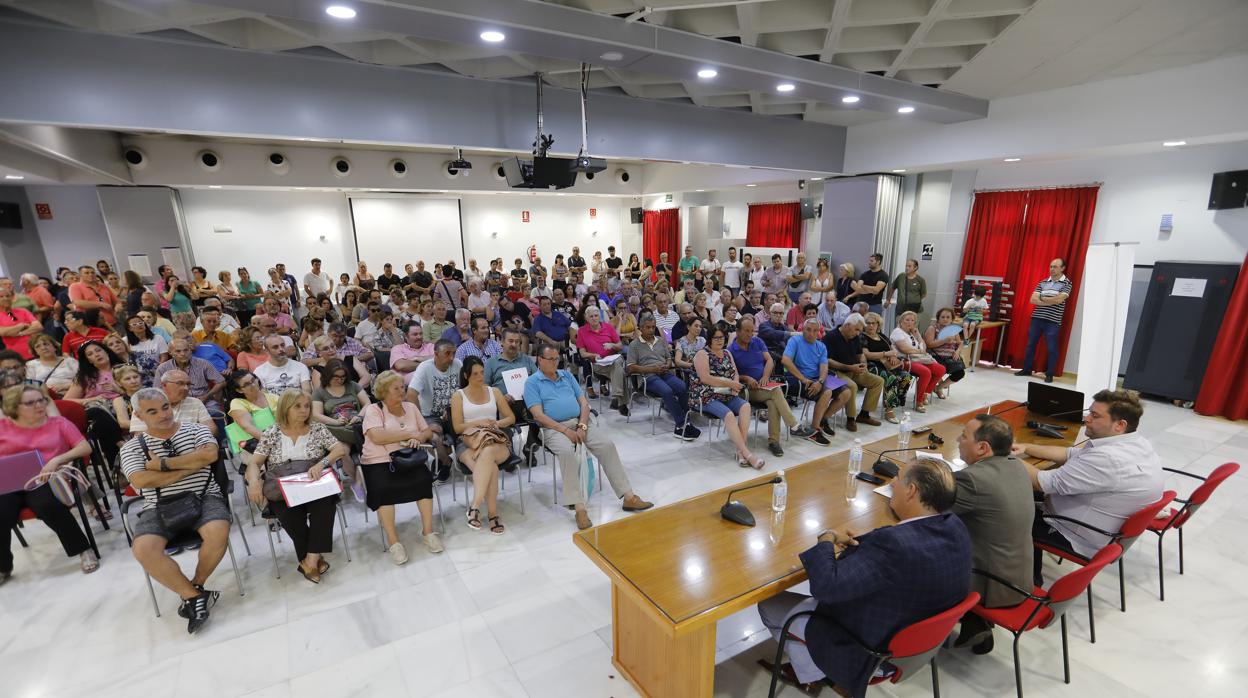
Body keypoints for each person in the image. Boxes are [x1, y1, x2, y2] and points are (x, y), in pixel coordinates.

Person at [757, 459, 971, 698]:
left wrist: (826, 538)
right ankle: (814, 672)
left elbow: (825, 587)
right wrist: (870, 544)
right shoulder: (955, 527)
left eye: (898, 478)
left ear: (912, 491)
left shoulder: (895, 546)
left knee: (769, 604)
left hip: (866, 650)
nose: (892, 483)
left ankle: (815, 674)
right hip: (915, 645)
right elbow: (903, 548)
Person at [1014, 389, 1163, 586]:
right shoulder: (1134, 441)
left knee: (1008, 514)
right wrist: (1026, 447)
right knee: (1019, 495)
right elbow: (1070, 454)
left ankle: (1027, 582)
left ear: (1119, 425)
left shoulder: (1107, 459)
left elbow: (1042, 482)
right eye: (1089, 412)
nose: (1087, 418)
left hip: (1075, 535)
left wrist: (1001, 451)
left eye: (1095, 415)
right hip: (1103, 529)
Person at [119, 387, 230, 633]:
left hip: (203, 495)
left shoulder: (196, 429)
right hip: (157, 505)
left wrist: (160, 465)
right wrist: (191, 465)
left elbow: (210, 455)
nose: (163, 415)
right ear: (138, 415)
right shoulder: (131, 448)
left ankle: (197, 586)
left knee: (218, 530)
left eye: (165, 407)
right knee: (143, 549)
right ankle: (193, 596)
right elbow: (141, 480)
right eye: (152, 411)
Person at [525, 343, 653, 529]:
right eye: (550, 359)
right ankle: (579, 508)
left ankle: (628, 496)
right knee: (567, 453)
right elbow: (538, 415)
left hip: (580, 422)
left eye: (557, 359)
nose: (555, 363)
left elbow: (584, 404)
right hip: (553, 428)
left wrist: (583, 425)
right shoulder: (532, 382)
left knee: (607, 445)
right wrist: (566, 431)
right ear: (539, 360)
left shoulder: (567, 375)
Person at [949, 414, 1035, 654]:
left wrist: (904, 483)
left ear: (982, 447)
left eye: (964, 436)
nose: (958, 440)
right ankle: (974, 624)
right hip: (1019, 575)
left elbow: (927, 508)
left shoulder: (973, 479)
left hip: (991, 583)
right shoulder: (1015, 464)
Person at [246, 389, 349, 583]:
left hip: (313, 480)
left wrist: (322, 463)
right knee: (288, 514)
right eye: (298, 406)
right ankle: (315, 558)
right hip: (284, 485)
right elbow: (254, 463)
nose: (304, 410)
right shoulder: (272, 431)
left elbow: (339, 449)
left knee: (324, 506)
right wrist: (253, 482)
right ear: (286, 408)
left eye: (307, 406)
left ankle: (309, 561)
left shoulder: (317, 428)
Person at [0, 384, 98, 583]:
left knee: (46, 504)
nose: (39, 405)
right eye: (30, 402)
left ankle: (82, 549)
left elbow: (85, 447)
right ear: (14, 407)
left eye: (41, 400)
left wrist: (57, 460)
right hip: (11, 481)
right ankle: (3, 566)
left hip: (45, 478)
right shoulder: (2, 427)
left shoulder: (58, 423)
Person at [362, 370, 444, 562]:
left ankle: (428, 532)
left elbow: (426, 431)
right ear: (383, 391)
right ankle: (394, 542)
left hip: (409, 458)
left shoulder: (411, 407)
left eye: (403, 387)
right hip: (379, 461)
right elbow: (377, 437)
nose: (402, 391)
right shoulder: (374, 410)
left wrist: (419, 437)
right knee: (383, 490)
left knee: (424, 481)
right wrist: (409, 435)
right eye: (396, 388)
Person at [728, 315, 814, 457]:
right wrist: (746, 378)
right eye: (746, 331)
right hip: (746, 389)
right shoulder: (731, 350)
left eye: (752, 331)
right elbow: (732, 374)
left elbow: (769, 361)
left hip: (764, 384)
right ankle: (793, 425)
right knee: (776, 391)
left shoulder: (757, 341)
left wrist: (765, 376)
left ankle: (774, 441)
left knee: (773, 402)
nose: (750, 334)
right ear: (737, 332)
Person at [450, 356, 514, 535]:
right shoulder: (459, 396)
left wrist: (495, 424)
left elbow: (510, 418)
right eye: (475, 374)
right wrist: (479, 422)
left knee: (488, 453)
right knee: (490, 467)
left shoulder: (494, 392)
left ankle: (475, 506)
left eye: (482, 372)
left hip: (495, 440)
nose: (480, 377)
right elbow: (457, 427)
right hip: (468, 442)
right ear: (466, 375)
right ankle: (493, 515)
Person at [689, 326, 764, 468]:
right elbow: (705, 378)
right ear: (709, 339)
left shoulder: (727, 353)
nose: (719, 341)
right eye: (716, 338)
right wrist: (729, 383)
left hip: (725, 393)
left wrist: (735, 384)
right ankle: (747, 454)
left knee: (745, 406)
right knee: (729, 415)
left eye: (722, 338)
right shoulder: (702, 354)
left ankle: (740, 450)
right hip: (705, 395)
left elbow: (735, 372)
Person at [625, 315, 700, 440]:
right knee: (667, 391)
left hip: (664, 372)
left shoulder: (660, 340)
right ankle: (682, 425)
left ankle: (686, 422)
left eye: (653, 327)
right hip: (647, 376)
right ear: (641, 328)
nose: (651, 330)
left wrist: (667, 365)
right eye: (647, 327)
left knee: (682, 387)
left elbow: (668, 358)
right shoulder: (634, 345)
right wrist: (652, 369)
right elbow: (631, 367)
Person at [782, 319, 851, 446]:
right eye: (808, 329)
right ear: (803, 329)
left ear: (818, 332)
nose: (811, 333)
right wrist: (803, 379)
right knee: (827, 392)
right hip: (798, 379)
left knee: (846, 392)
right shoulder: (795, 341)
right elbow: (785, 360)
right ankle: (814, 429)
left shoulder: (821, 346)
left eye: (815, 331)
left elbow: (824, 367)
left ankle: (823, 419)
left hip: (817, 379)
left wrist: (820, 381)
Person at [1016, 258, 1074, 383]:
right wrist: (1050, 299)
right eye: (1051, 266)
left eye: (1055, 267)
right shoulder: (1042, 282)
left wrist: (1042, 298)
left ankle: (1050, 373)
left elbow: (1059, 300)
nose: (1052, 269)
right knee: (1031, 345)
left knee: (1052, 348)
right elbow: (1032, 300)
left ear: (1062, 268)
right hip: (1037, 318)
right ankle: (1026, 369)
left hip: (1053, 321)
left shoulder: (1067, 283)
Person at [823, 314, 884, 432]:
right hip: (836, 372)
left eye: (859, 330)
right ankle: (851, 418)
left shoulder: (854, 337)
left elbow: (860, 354)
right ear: (847, 325)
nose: (857, 333)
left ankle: (864, 414)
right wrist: (850, 367)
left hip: (853, 369)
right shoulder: (831, 337)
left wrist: (863, 363)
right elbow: (827, 361)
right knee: (852, 386)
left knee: (878, 381)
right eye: (856, 329)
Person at [406, 339, 460, 470]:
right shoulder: (425, 367)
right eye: (447, 353)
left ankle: (459, 458)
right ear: (436, 354)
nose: (451, 357)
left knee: (465, 431)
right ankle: (446, 463)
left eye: (453, 353)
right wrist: (422, 423)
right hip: (429, 415)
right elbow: (411, 394)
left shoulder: (458, 364)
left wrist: (453, 409)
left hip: (452, 412)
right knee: (435, 437)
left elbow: (464, 390)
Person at [860, 313, 912, 424]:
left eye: (873, 323)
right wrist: (885, 354)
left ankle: (892, 401)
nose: (870, 326)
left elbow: (893, 348)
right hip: (873, 365)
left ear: (878, 324)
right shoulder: (863, 337)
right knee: (891, 379)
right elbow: (866, 354)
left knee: (906, 377)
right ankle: (889, 410)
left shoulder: (882, 336)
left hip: (888, 364)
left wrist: (893, 355)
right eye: (868, 323)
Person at [576, 306, 628, 414]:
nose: (594, 318)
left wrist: (612, 345)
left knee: (617, 363)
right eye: (591, 316)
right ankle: (620, 401)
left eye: (596, 315)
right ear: (586, 318)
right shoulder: (582, 331)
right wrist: (592, 355)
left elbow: (620, 346)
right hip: (598, 364)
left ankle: (617, 399)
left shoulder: (608, 327)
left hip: (613, 360)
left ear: (599, 316)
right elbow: (582, 353)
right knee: (620, 371)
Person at [891, 311, 946, 412]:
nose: (910, 322)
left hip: (918, 359)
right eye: (907, 320)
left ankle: (925, 393)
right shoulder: (897, 332)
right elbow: (905, 349)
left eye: (912, 320)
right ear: (901, 321)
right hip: (904, 360)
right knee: (926, 372)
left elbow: (924, 348)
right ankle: (918, 401)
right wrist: (919, 351)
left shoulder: (912, 333)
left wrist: (918, 336)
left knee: (941, 369)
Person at [156, 338, 226, 411]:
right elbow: (157, 390)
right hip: (176, 402)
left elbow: (221, 382)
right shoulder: (163, 368)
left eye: (185, 350)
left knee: (216, 413)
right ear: (170, 353)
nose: (183, 354)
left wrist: (206, 396)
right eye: (178, 351)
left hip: (204, 401)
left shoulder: (203, 363)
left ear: (190, 350)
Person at [924, 307, 966, 396]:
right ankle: (928, 391)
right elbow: (929, 344)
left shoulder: (954, 329)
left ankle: (938, 388)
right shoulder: (933, 328)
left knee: (960, 373)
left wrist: (958, 351)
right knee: (939, 370)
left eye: (948, 317)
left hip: (950, 357)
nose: (945, 319)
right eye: (942, 317)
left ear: (952, 319)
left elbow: (960, 343)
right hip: (935, 356)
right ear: (938, 318)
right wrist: (944, 340)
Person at [0, 286, 42, 359]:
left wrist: (20, 333)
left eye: (7, 296)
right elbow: (3, 332)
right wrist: (22, 326)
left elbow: (38, 327)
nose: (5, 298)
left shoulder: (22, 311)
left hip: (36, 351)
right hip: (15, 356)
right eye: (1, 296)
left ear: (12, 298)